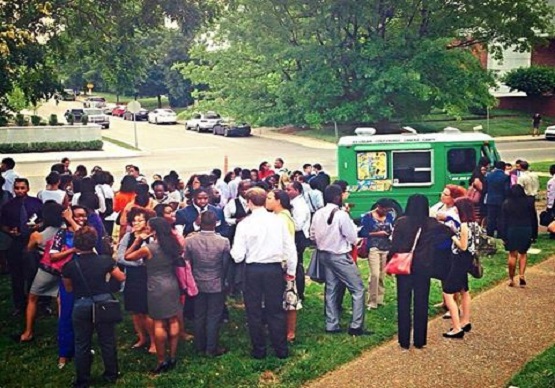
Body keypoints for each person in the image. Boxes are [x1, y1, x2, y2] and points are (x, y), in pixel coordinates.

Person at [230, 188, 297, 359]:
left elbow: (238, 256)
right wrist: (291, 270)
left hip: (253, 269)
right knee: (275, 309)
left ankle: (259, 350)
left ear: (249, 202)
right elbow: (290, 247)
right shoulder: (278, 221)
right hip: (273, 268)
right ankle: (281, 349)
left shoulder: (244, 224)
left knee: (254, 311)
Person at [62, 226, 125, 388]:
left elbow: (68, 288)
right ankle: (111, 373)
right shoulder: (105, 260)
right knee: (107, 340)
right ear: (94, 242)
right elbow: (121, 277)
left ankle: (82, 379)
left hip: (81, 303)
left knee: (82, 343)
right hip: (103, 302)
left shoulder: (70, 266)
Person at [124, 217, 182, 374]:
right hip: (172, 284)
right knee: (174, 319)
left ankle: (161, 360)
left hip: (156, 287)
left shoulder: (149, 248)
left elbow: (127, 256)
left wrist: (137, 240)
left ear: (154, 230)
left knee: (159, 323)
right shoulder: (173, 245)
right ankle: (173, 355)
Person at [388, 194, 445, 349]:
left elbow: (394, 245)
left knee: (403, 302)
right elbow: (449, 233)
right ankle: (420, 340)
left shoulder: (401, 222)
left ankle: (404, 340)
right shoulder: (432, 224)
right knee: (421, 303)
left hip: (404, 267)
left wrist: (389, 261)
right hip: (424, 266)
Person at [310, 184, 366, 336]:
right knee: (358, 289)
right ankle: (356, 326)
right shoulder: (341, 215)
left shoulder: (318, 213)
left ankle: (331, 324)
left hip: (323, 254)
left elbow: (312, 235)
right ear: (338, 197)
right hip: (339, 255)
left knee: (331, 289)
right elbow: (352, 237)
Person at [185, 211, 230, 356]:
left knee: (199, 315)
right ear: (216, 223)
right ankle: (211, 348)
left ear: (200, 222)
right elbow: (225, 265)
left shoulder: (190, 241)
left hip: (197, 282)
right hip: (216, 282)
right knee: (214, 316)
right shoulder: (223, 242)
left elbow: (187, 262)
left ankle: (199, 346)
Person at [50, 205, 88, 369]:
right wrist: (72, 250)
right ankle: (64, 353)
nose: (81, 219)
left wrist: (72, 220)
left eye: (83, 216)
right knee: (66, 315)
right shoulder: (62, 234)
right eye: (77, 216)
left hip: (86, 278)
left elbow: (86, 241)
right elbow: (53, 256)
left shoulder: (87, 232)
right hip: (68, 278)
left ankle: (83, 348)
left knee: (84, 316)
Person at [0, 178, 43, 316]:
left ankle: (39, 303)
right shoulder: (8, 206)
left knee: (36, 274)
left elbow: (44, 220)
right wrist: (9, 231)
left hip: (33, 242)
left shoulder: (36, 203)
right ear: (14, 189)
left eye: (22, 188)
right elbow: (2, 224)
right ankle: (19, 305)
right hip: (16, 243)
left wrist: (38, 226)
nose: (19, 191)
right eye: (17, 188)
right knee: (16, 276)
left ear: (27, 188)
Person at [116, 207, 156, 353]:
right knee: (135, 310)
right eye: (134, 220)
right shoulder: (128, 237)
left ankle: (153, 341)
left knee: (146, 311)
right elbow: (120, 257)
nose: (136, 223)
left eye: (140, 220)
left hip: (147, 277)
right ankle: (141, 337)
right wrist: (138, 263)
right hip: (132, 276)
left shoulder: (151, 237)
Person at [265, 189, 300, 342]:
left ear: (278, 201)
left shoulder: (282, 218)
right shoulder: (278, 216)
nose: (267, 200)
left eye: (270, 198)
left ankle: (290, 331)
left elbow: (287, 244)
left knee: (289, 296)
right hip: (280, 260)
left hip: (284, 261)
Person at [443, 198, 477, 339]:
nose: (455, 209)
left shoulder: (463, 226)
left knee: (448, 292)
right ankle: (465, 320)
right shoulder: (475, 224)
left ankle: (457, 327)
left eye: (457, 207)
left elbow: (462, 246)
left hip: (459, 259)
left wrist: (452, 236)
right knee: (464, 290)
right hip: (468, 259)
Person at [359, 199, 394, 310]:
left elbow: (391, 228)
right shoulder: (368, 217)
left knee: (382, 275)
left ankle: (380, 299)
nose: (386, 212)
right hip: (373, 247)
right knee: (375, 274)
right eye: (384, 209)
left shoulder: (389, 217)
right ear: (378, 207)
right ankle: (372, 301)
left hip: (386, 247)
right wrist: (377, 234)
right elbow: (362, 233)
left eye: (388, 210)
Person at [502, 185, 536, 287]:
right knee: (523, 253)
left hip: (512, 229)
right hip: (526, 228)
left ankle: (511, 279)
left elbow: (503, 221)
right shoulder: (529, 202)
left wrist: (503, 235)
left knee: (512, 254)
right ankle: (521, 275)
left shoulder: (506, 203)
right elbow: (533, 218)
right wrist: (534, 234)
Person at [286, 181, 311, 304]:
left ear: (297, 191)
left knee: (296, 265)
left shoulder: (299, 205)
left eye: (289, 189)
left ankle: (299, 292)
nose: (287, 192)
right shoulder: (294, 203)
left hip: (298, 237)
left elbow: (298, 225)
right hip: (295, 235)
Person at [485, 161, 510, 238]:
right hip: (501, 200)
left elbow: (485, 188)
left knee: (490, 219)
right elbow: (506, 190)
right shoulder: (505, 177)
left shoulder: (489, 176)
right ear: (504, 167)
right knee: (501, 219)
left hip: (490, 200)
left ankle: (489, 235)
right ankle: (500, 235)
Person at [516, 161, 539, 242]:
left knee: (525, 217)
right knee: (533, 216)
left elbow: (519, 189)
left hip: (525, 197)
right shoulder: (535, 175)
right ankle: (534, 234)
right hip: (532, 196)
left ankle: (527, 234)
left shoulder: (521, 178)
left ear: (521, 167)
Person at [547, 164, 555, 239]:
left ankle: (553, 233)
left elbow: (551, 193)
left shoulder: (551, 181)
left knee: (552, 218)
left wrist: (549, 204)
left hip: (554, 202)